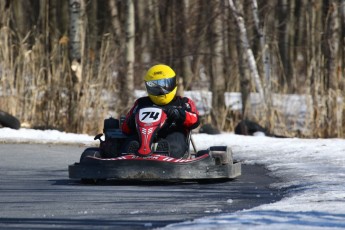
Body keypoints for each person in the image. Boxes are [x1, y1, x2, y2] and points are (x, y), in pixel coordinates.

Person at [121, 64, 200, 158]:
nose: (161, 91)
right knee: (131, 141)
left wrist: (179, 114)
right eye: (155, 87)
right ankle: (129, 157)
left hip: (172, 132)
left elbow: (195, 120)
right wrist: (132, 120)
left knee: (176, 140)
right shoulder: (141, 103)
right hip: (143, 136)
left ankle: (164, 153)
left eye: (165, 85)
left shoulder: (183, 103)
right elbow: (125, 128)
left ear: (173, 84)